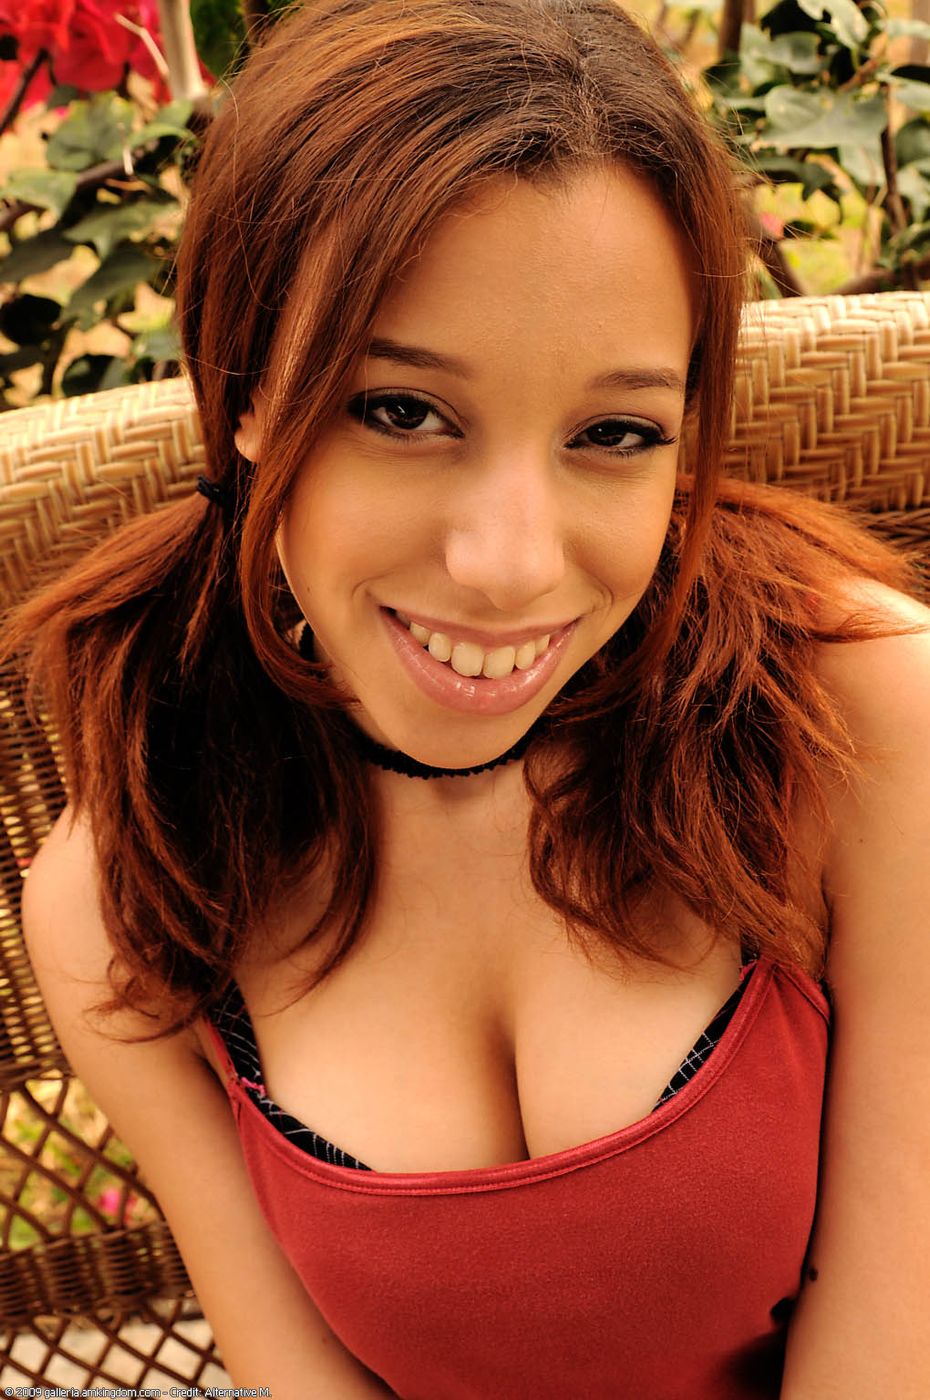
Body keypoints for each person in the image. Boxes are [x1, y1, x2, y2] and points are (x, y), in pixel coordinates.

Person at [4, 0, 930, 1395]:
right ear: (241, 389)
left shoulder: (858, 720)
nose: (509, 565)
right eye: (402, 411)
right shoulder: (132, 892)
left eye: (613, 433)